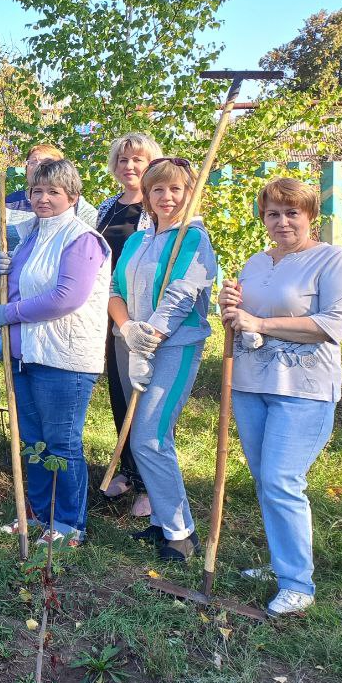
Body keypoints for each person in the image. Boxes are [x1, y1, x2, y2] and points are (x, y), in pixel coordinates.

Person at [218, 177, 342, 617]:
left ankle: (298, 582)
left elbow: (332, 323)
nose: (282, 222)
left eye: (291, 213)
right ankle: (282, 561)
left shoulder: (332, 260)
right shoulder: (255, 262)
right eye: (273, 213)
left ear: (310, 216)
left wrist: (257, 323)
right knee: (266, 480)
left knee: (282, 481)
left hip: (304, 391)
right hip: (250, 384)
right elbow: (240, 318)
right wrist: (228, 308)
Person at [0, 159, 110, 547]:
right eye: (37, 191)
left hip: (64, 358)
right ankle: (40, 515)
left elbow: (66, 297)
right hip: (27, 355)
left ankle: (69, 524)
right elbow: (18, 284)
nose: (42, 199)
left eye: (53, 192)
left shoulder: (83, 239)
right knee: (33, 442)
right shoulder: (30, 234)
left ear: (73, 197)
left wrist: (9, 313)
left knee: (62, 443)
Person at [108, 157, 217, 562]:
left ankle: (180, 534)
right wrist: (128, 330)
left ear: (189, 193)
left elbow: (180, 297)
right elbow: (114, 288)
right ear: (148, 197)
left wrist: (146, 339)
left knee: (149, 437)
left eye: (176, 190)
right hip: (132, 339)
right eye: (158, 190)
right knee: (144, 435)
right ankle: (163, 523)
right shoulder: (137, 241)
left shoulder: (193, 239)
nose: (166, 197)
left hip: (174, 345)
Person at [96, 132, 162, 513]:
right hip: (112, 311)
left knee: (147, 397)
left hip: (147, 314)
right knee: (120, 391)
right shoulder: (108, 207)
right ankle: (127, 468)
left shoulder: (158, 209)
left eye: (137, 159)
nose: (130, 167)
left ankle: (151, 484)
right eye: (122, 160)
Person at [0, 144, 99, 249]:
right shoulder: (11, 202)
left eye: (46, 162)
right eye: (33, 162)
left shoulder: (73, 203)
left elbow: (98, 232)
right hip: (12, 272)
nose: (38, 166)